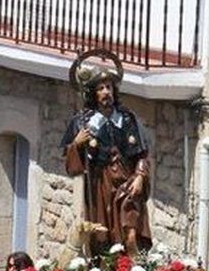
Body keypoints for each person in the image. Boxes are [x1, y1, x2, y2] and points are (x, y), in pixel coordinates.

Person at [62, 69, 151, 254]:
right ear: (94, 94)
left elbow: (142, 153)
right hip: (101, 185)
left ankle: (135, 265)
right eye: (101, 88)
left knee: (131, 232)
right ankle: (108, 269)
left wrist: (140, 176)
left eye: (109, 87)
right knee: (105, 234)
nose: (106, 92)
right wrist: (77, 144)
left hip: (127, 179)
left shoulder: (127, 119)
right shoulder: (82, 122)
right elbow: (70, 165)